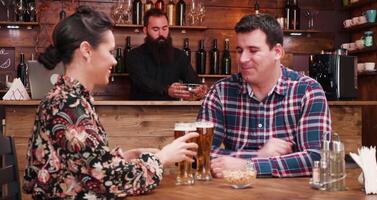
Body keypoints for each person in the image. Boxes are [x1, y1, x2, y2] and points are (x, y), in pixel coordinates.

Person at [23, 6, 198, 199]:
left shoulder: (69, 98)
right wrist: (163, 157)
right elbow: (109, 179)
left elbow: (84, 165)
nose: (114, 61)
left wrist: (127, 156)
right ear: (86, 51)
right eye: (110, 51)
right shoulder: (67, 104)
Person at [197, 14, 331, 178]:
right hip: (235, 191)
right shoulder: (220, 92)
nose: (243, 59)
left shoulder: (308, 90)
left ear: (277, 52)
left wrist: (248, 165)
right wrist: (260, 155)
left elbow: (318, 158)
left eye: (253, 50)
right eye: (239, 50)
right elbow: (198, 154)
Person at [126, 8, 207, 100]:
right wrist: (167, 89)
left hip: (172, 112)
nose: (161, 34)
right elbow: (143, 82)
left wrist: (198, 89)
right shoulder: (134, 55)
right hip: (141, 112)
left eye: (164, 28)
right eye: (155, 29)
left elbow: (193, 81)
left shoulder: (180, 56)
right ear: (145, 30)